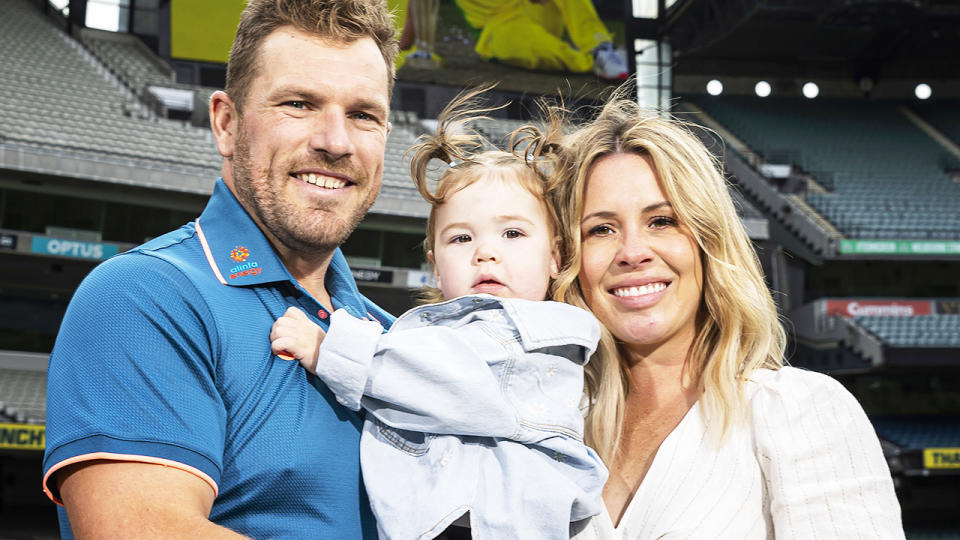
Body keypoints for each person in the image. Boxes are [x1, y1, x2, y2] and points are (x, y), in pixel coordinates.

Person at [41, 1, 398, 537]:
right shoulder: (143, 297)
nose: (336, 142)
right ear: (226, 124)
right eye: (299, 104)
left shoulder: (391, 336)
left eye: (363, 115)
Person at [518, 94, 906, 538]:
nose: (632, 252)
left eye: (662, 221)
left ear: (709, 242)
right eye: (600, 229)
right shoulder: (545, 428)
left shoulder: (799, 410)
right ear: (567, 258)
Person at [269, 88, 608, 540]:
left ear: (554, 256)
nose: (486, 252)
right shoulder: (447, 329)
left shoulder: (538, 333)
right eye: (461, 239)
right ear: (434, 262)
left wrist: (329, 348)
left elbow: (451, 381)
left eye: (512, 233)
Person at [453, 0, 628, 80]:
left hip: (536, 8)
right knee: (528, 43)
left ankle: (601, 48)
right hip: (499, 26)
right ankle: (592, 63)